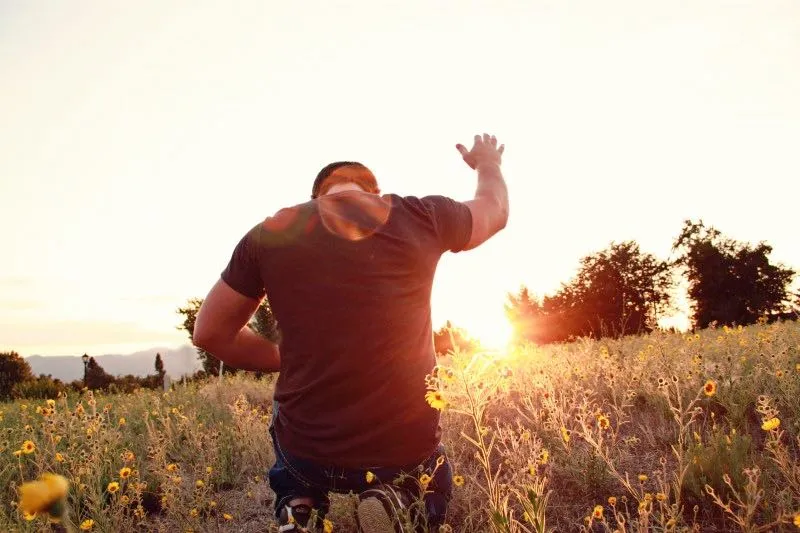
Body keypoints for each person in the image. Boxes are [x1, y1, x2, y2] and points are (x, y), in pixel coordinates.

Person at [193, 133, 509, 532]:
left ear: (316, 197)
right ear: (374, 191)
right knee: (430, 476)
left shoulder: (271, 233)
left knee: (287, 415)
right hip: (403, 448)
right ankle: (398, 499)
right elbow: (494, 210)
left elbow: (209, 334)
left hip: (308, 450)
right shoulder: (421, 214)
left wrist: (283, 359)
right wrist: (487, 163)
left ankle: (299, 502)